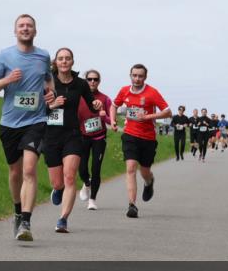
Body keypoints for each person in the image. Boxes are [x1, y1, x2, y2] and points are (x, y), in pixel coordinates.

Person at [0, 14, 54, 242]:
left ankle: (26, 221)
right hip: (9, 123)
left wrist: (50, 93)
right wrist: (7, 80)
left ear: (35, 31)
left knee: (29, 170)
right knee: (15, 173)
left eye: (29, 26)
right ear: (15, 31)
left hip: (35, 122)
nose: (25, 29)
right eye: (21, 26)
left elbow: (48, 79)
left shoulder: (43, 56)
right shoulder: (5, 55)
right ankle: (17, 210)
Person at [43, 49, 102, 232]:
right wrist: (52, 105)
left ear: (72, 61)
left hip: (73, 135)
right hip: (51, 136)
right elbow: (35, 109)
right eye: (61, 58)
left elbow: (92, 104)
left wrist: (96, 105)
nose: (64, 61)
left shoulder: (80, 84)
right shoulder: (46, 81)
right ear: (56, 61)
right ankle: (57, 189)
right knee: (58, 182)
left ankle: (63, 219)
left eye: (67, 58)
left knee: (70, 176)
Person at [110, 64, 171, 218]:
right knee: (130, 168)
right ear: (130, 75)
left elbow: (168, 112)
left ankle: (149, 182)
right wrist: (112, 120)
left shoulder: (152, 92)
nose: (137, 79)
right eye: (134, 75)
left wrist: (148, 117)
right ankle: (132, 205)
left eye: (140, 76)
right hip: (130, 135)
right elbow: (114, 105)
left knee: (144, 171)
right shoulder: (124, 90)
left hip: (148, 138)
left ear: (145, 77)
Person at [78, 69, 112, 210]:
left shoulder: (105, 98)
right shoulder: (79, 97)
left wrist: (104, 116)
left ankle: (92, 200)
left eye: (95, 79)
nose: (92, 81)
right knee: (82, 168)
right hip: (82, 136)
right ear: (85, 80)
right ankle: (87, 183)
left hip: (99, 137)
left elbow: (111, 120)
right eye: (90, 79)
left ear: (99, 81)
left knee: (96, 169)